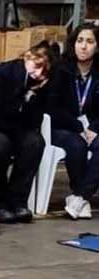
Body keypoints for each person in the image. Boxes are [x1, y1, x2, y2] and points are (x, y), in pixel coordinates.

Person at [0, 41, 57, 223]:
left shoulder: (39, 84)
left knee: (34, 142)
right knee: (0, 144)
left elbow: (35, 120)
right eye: (37, 65)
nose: (38, 73)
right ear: (27, 57)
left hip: (12, 126)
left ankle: (18, 201)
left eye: (44, 71)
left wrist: (33, 97)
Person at [47, 24, 99, 219]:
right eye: (80, 41)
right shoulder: (60, 69)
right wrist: (78, 127)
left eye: (90, 41)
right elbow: (51, 108)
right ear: (73, 44)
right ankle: (81, 196)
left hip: (92, 128)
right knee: (76, 145)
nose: (83, 46)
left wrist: (94, 127)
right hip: (63, 127)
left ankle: (80, 197)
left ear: (97, 46)